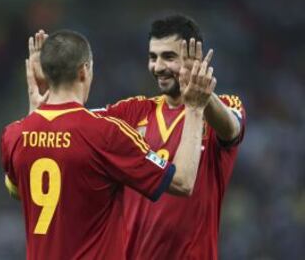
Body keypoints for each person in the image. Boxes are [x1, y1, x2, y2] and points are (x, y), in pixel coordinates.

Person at [26, 15, 245, 259]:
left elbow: (232, 129)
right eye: (153, 57)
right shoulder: (132, 112)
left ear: (195, 58)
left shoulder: (222, 108)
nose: (159, 67)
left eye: (169, 57)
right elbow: (71, 121)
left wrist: (202, 99)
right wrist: (47, 95)